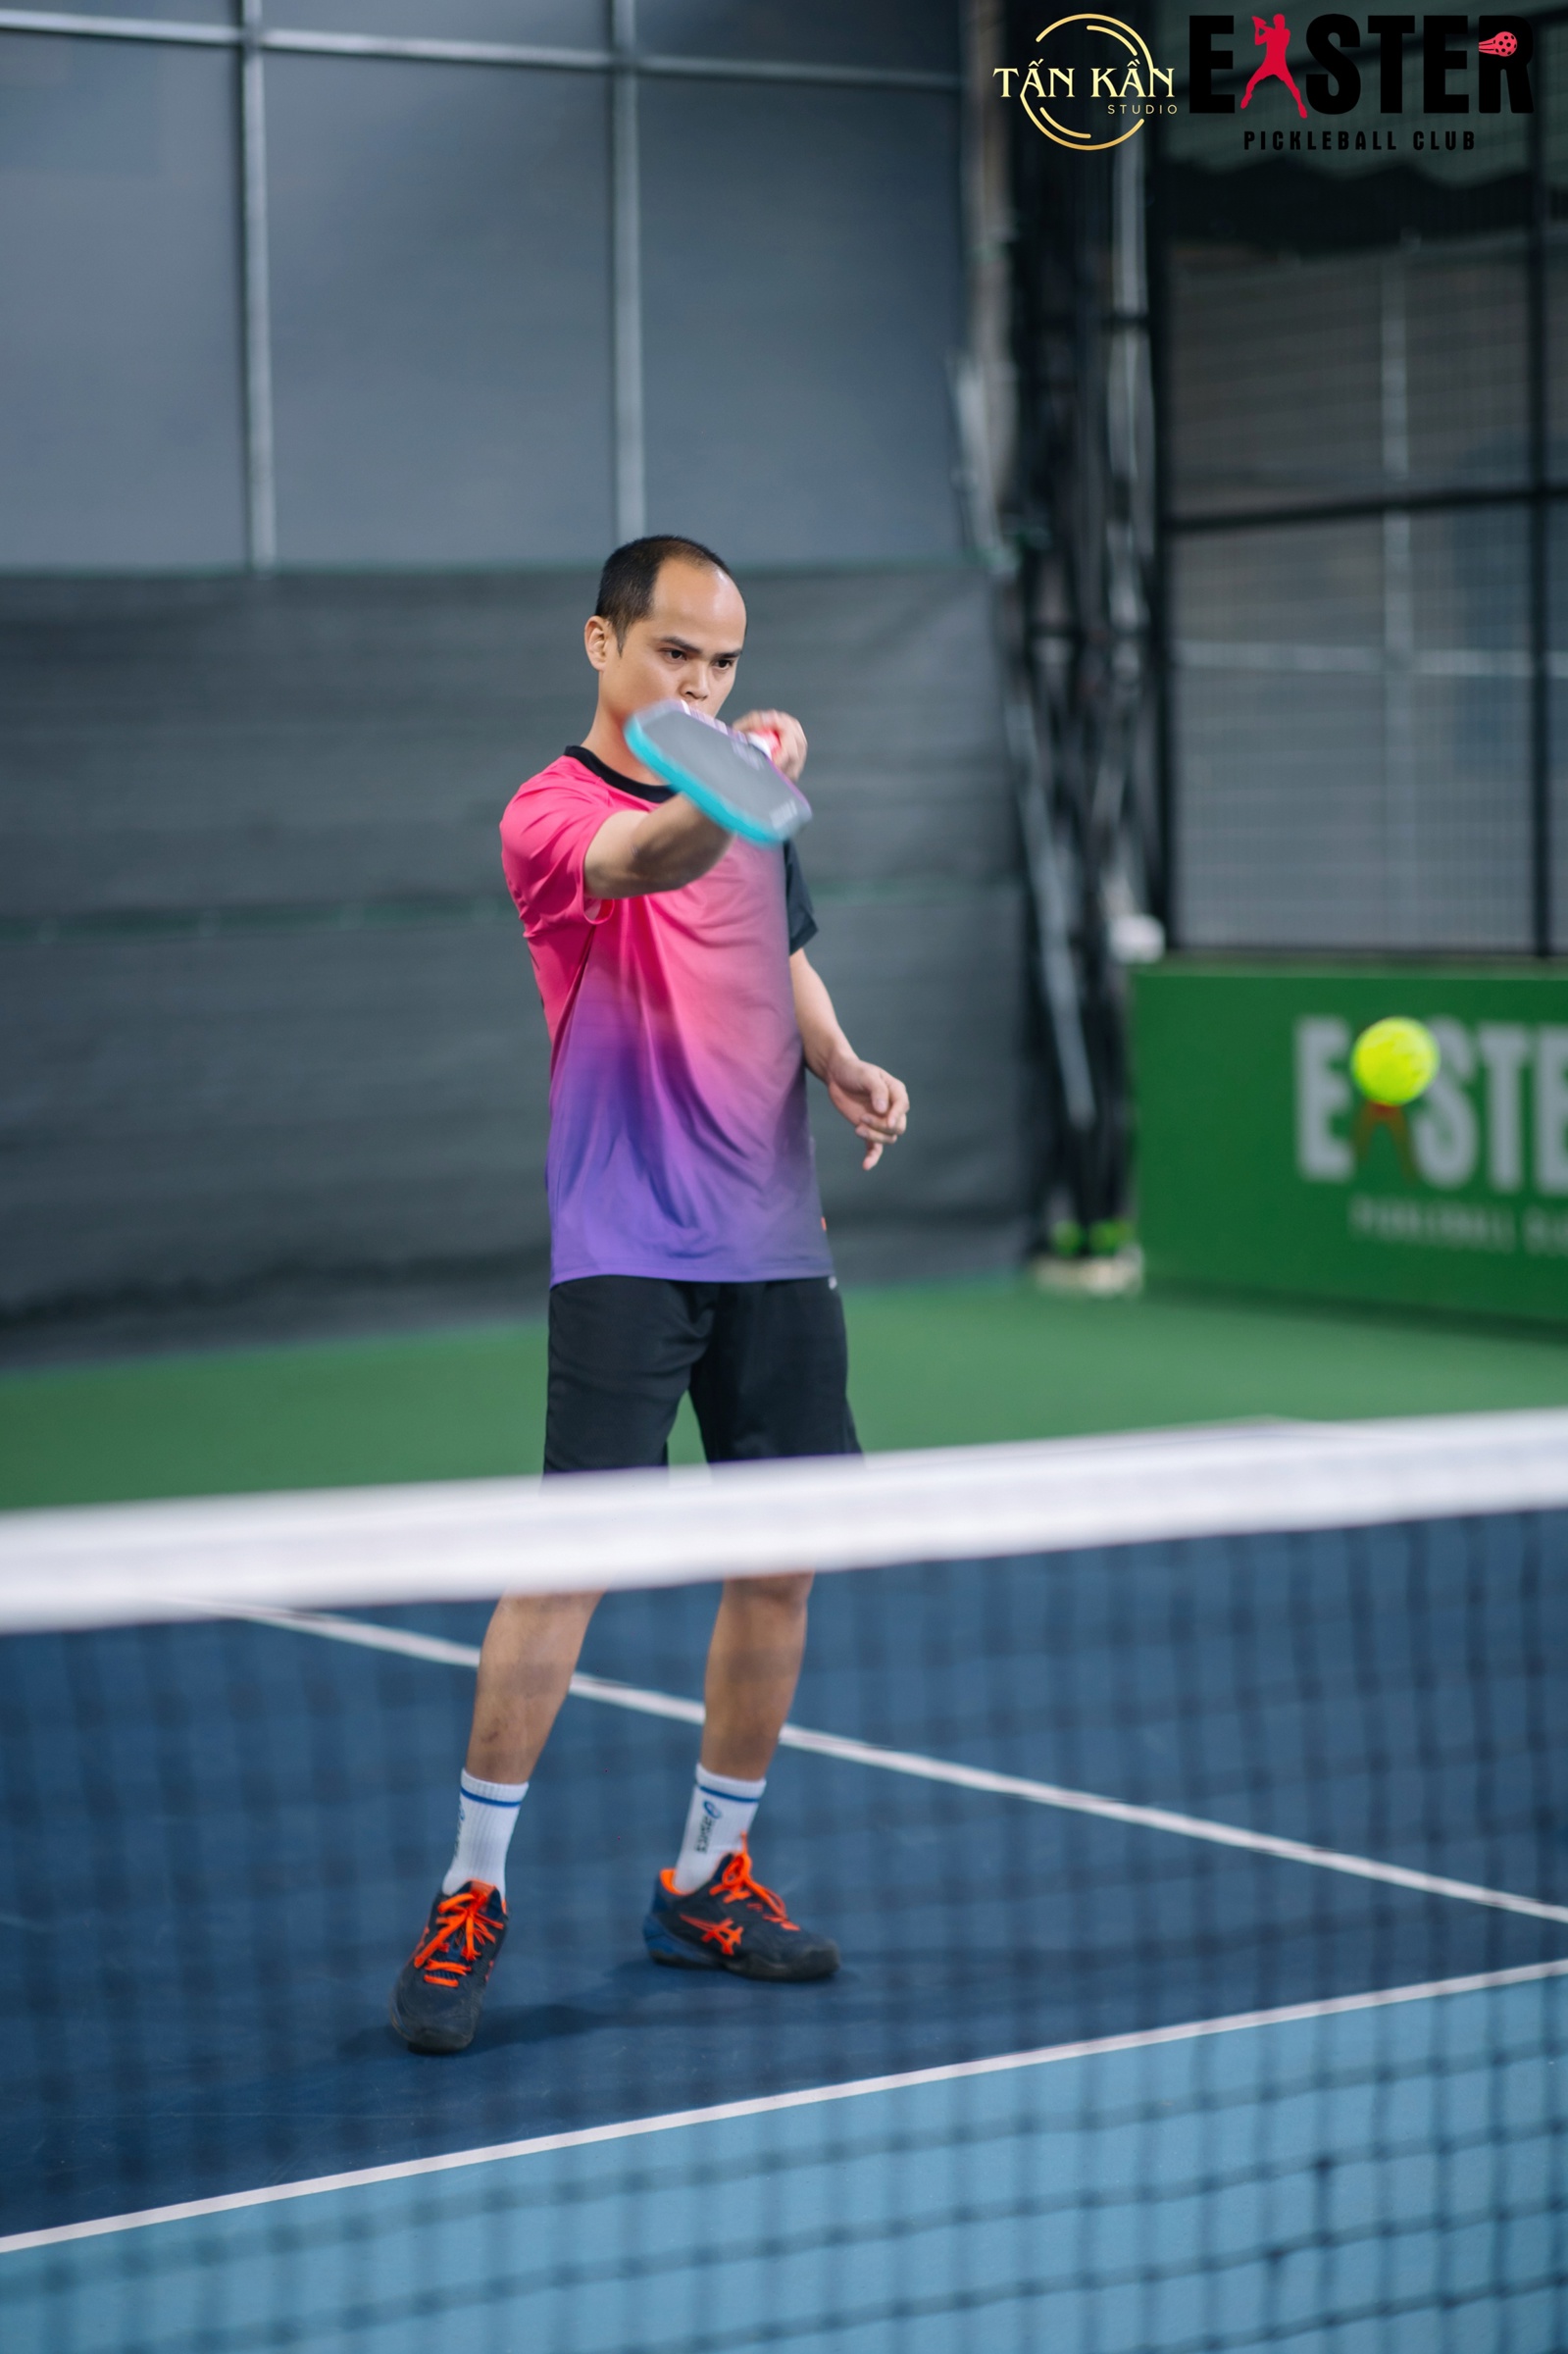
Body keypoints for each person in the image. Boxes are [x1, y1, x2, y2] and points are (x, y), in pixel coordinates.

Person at [390, 536, 910, 2053]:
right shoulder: (551, 814)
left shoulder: (749, 798)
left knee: (781, 1564)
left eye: (723, 661)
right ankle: (471, 1891)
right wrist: (740, 783)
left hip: (777, 1239)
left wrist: (839, 1057)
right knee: (570, 1568)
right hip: (627, 1241)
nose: (700, 681)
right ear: (603, 643)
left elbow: (779, 948)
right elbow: (657, 859)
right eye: (675, 652)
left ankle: (705, 1876)